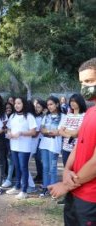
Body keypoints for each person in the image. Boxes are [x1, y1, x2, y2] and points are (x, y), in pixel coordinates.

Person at [49, 58, 96, 225]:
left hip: (91, 198)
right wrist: (67, 169)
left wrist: (66, 186)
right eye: (82, 82)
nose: (85, 86)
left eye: (90, 81)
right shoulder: (90, 112)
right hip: (75, 192)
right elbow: (78, 145)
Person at [6, 97, 37, 200]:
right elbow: (8, 128)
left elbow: (33, 132)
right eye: (15, 103)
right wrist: (9, 133)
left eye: (19, 103)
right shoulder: (13, 116)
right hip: (14, 145)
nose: (16, 105)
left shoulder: (29, 116)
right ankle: (17, 186)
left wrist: (21, 133)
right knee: (17, 167)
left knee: (23, 167)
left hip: (24, 147)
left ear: (23, 104)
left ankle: (24, 190)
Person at [39, 96, 65, 197]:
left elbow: (59, 132)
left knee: (52, 168)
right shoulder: (46, 116)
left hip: (54, 145)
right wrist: (51, 132)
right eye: (48, 105)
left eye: (51, 104)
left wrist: (49, 132)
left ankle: (54, 190)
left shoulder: (63, 116)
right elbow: (42, 129)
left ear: (57, 104)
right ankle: (45, 187)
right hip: (44, 144)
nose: (49, 106)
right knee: (45, 167)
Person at [33, 99, 47, 184]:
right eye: (36, 107)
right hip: (35, 140)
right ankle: (39, 175)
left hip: (41, 140)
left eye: (38, 107)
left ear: (43, 108)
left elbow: (38, 131)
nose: (36, 109)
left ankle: (42, 176)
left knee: (40, 158)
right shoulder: (34, 116)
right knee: (37, 159)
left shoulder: (43, 117)